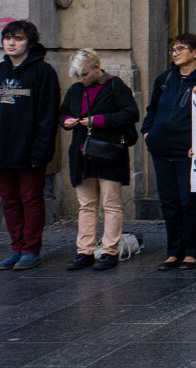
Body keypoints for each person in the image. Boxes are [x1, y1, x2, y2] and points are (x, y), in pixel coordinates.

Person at [0, 21, 62, 271]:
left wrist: (41, 151)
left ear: (30, 42)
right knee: (10, 202)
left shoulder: (43, 72)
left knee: (31, 200)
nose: (11, 42)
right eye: (7, 38)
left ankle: (30, 250)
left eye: (17, 38)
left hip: (28, 151)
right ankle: (16, 248)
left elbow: (48, 117)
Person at [140, 31, 196, 272]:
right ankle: (173, 251)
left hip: (189, 152)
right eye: (173, 50)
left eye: (180, 49)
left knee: (189, 202)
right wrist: (148, 132)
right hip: (161, 148)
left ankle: (192, 252)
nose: (174, 54)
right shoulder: (165, 78)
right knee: (169, 202)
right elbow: (152, 108)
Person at [59, 48, 138, 272]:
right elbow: (63, 112)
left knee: (111, 203)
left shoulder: (114, 85)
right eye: (76, 75)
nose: (80, 79)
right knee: (86, 205)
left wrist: (96, 121)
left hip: (108, 152)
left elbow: (131, 113)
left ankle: (109, 250)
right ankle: (84, 250)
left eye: (84, 74)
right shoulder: (75, 89)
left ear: (96, 68)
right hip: (82, 153)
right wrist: (66, 121)